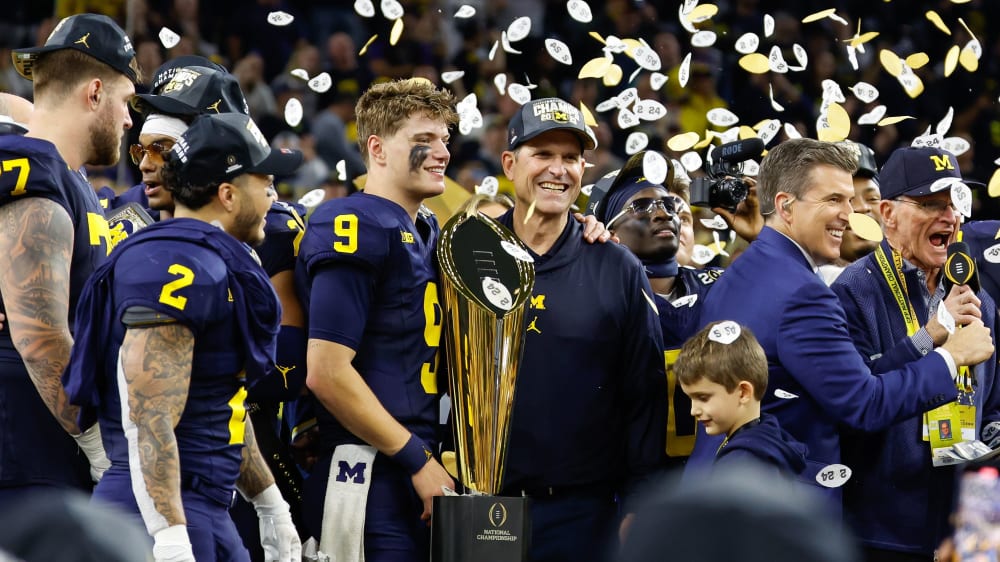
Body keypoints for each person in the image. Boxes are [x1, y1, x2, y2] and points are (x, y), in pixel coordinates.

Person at [692, 138, 995, 507]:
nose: (849, 215)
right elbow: (864, 404)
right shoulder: (807, 293)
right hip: (775, 507)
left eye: (849, 200)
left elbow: (849, 380)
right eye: (833, 200)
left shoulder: (740, 274)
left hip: (721, 488)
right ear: (786, 206)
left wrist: (927, 338)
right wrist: (951, 358)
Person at [63, 112, 304, 562]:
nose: (273, 196)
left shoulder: (210, 256)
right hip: (158, 510)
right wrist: (169, 535)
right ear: (228, 194)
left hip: (199, 503)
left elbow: (217, 401)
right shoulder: (178, 260)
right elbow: (148, 412)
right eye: (264, 182)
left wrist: (269, 502)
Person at [494, 97, 667, 562]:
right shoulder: (467, 255)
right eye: (543, 154)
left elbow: (644, 394)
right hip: (478, 502)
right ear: (510, 163)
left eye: (571, 157)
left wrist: (639, 500)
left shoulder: (617, 267)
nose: (559, 169)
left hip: (584, 514)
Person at [297, 78, 460, 561]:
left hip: (418, 468)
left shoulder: (429, 230)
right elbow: (326, 370)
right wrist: (415, 459)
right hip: (366, 469)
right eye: (423, 142)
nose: (442, 154)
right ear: (378, 148)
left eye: (445, 141)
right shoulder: (354, 222)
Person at [831, 145, 1000, 561]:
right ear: (887, 213)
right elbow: (856, 404)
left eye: (955, 202)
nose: (950, 217)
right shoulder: (852, 292)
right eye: (931, 204)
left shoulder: (977, 296)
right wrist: (929, 338)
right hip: (882, 529)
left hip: (967, 523)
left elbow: (993, 404)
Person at [0, 13, 139, 503]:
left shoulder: (64, 173)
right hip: (30, 447)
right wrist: (98, 443)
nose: (129, 119)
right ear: (95, 93)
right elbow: (39, 337)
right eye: (125, 101)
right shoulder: (34, 172)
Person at [675, 321, 811, 478]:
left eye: (703, 398)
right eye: (691, 398)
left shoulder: (740, 467)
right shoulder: (770, 439)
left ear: (743, 393)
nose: (693, 411)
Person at [819, 141, 882, 284]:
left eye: (872, 198)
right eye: (847, 200)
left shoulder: (912, 279)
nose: (861, 207)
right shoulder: (809, 284)